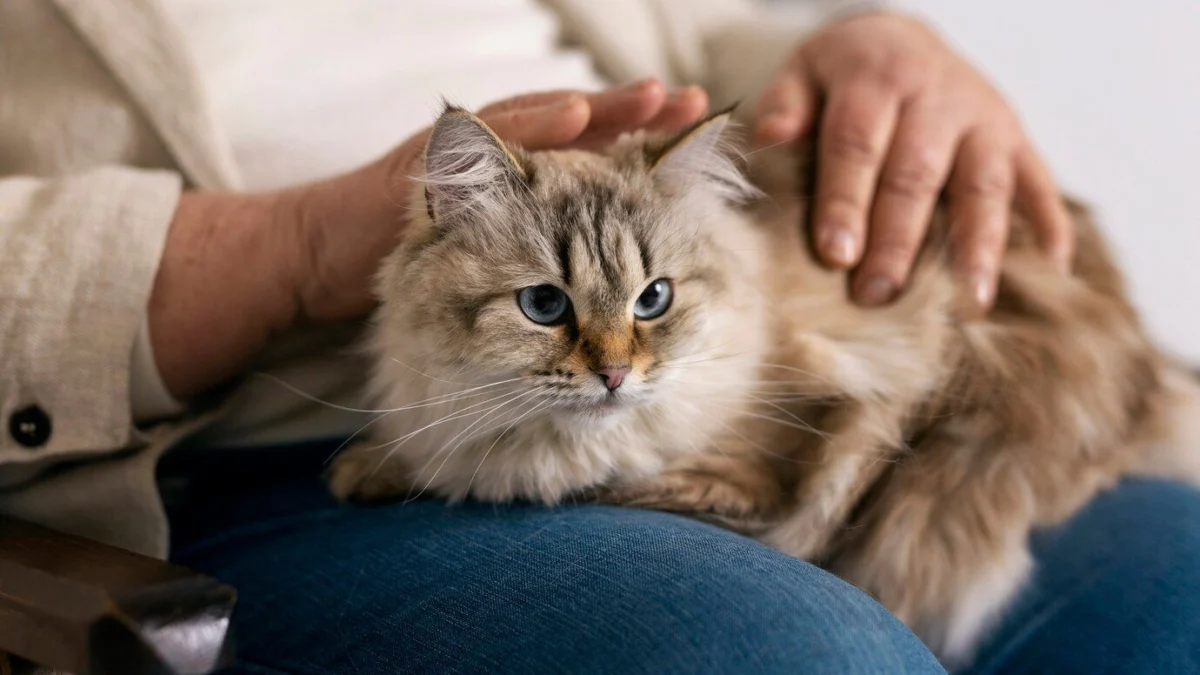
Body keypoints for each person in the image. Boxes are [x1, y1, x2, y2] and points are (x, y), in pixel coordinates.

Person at [0, 1, 1196, 673]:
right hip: (262, 455)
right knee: (787, 660)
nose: (609, 356)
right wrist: (294, 245)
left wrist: (852, 46)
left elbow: (711, 42)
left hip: (700, 302)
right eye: (578, 330)